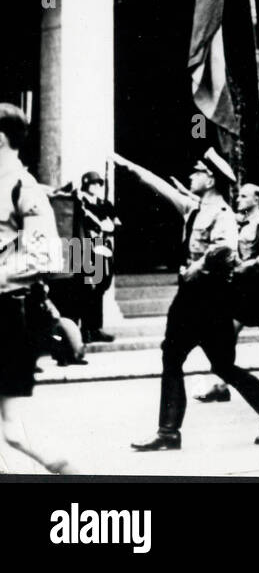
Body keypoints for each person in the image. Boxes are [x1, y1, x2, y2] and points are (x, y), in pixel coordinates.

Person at [131, 150, 259, 451]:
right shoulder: (195, 209)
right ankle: (168, 431)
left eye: (197, 172)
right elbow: (162, 188)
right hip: (188, 298)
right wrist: (132, 168)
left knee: (223, 366)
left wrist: (198, 266)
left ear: (210, 178)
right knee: (172, 356)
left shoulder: (223, 216)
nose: (191, 177)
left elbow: (226, 249)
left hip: (212, 299)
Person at [0, 104, 74, 474]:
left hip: (10, 312)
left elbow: (44, 257)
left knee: (14, 429)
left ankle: (72, 473)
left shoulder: (22, 186)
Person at [75, 170, 119, 344]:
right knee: (87, 287)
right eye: (93, 183)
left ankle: (95, 328)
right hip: (86, 248)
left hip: (102, 247)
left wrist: (111, 226)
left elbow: (116, 224)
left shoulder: (103, 204)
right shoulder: (80, 203)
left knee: (101, 286)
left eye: (99, 184)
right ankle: (85, 329)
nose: (96, 187)